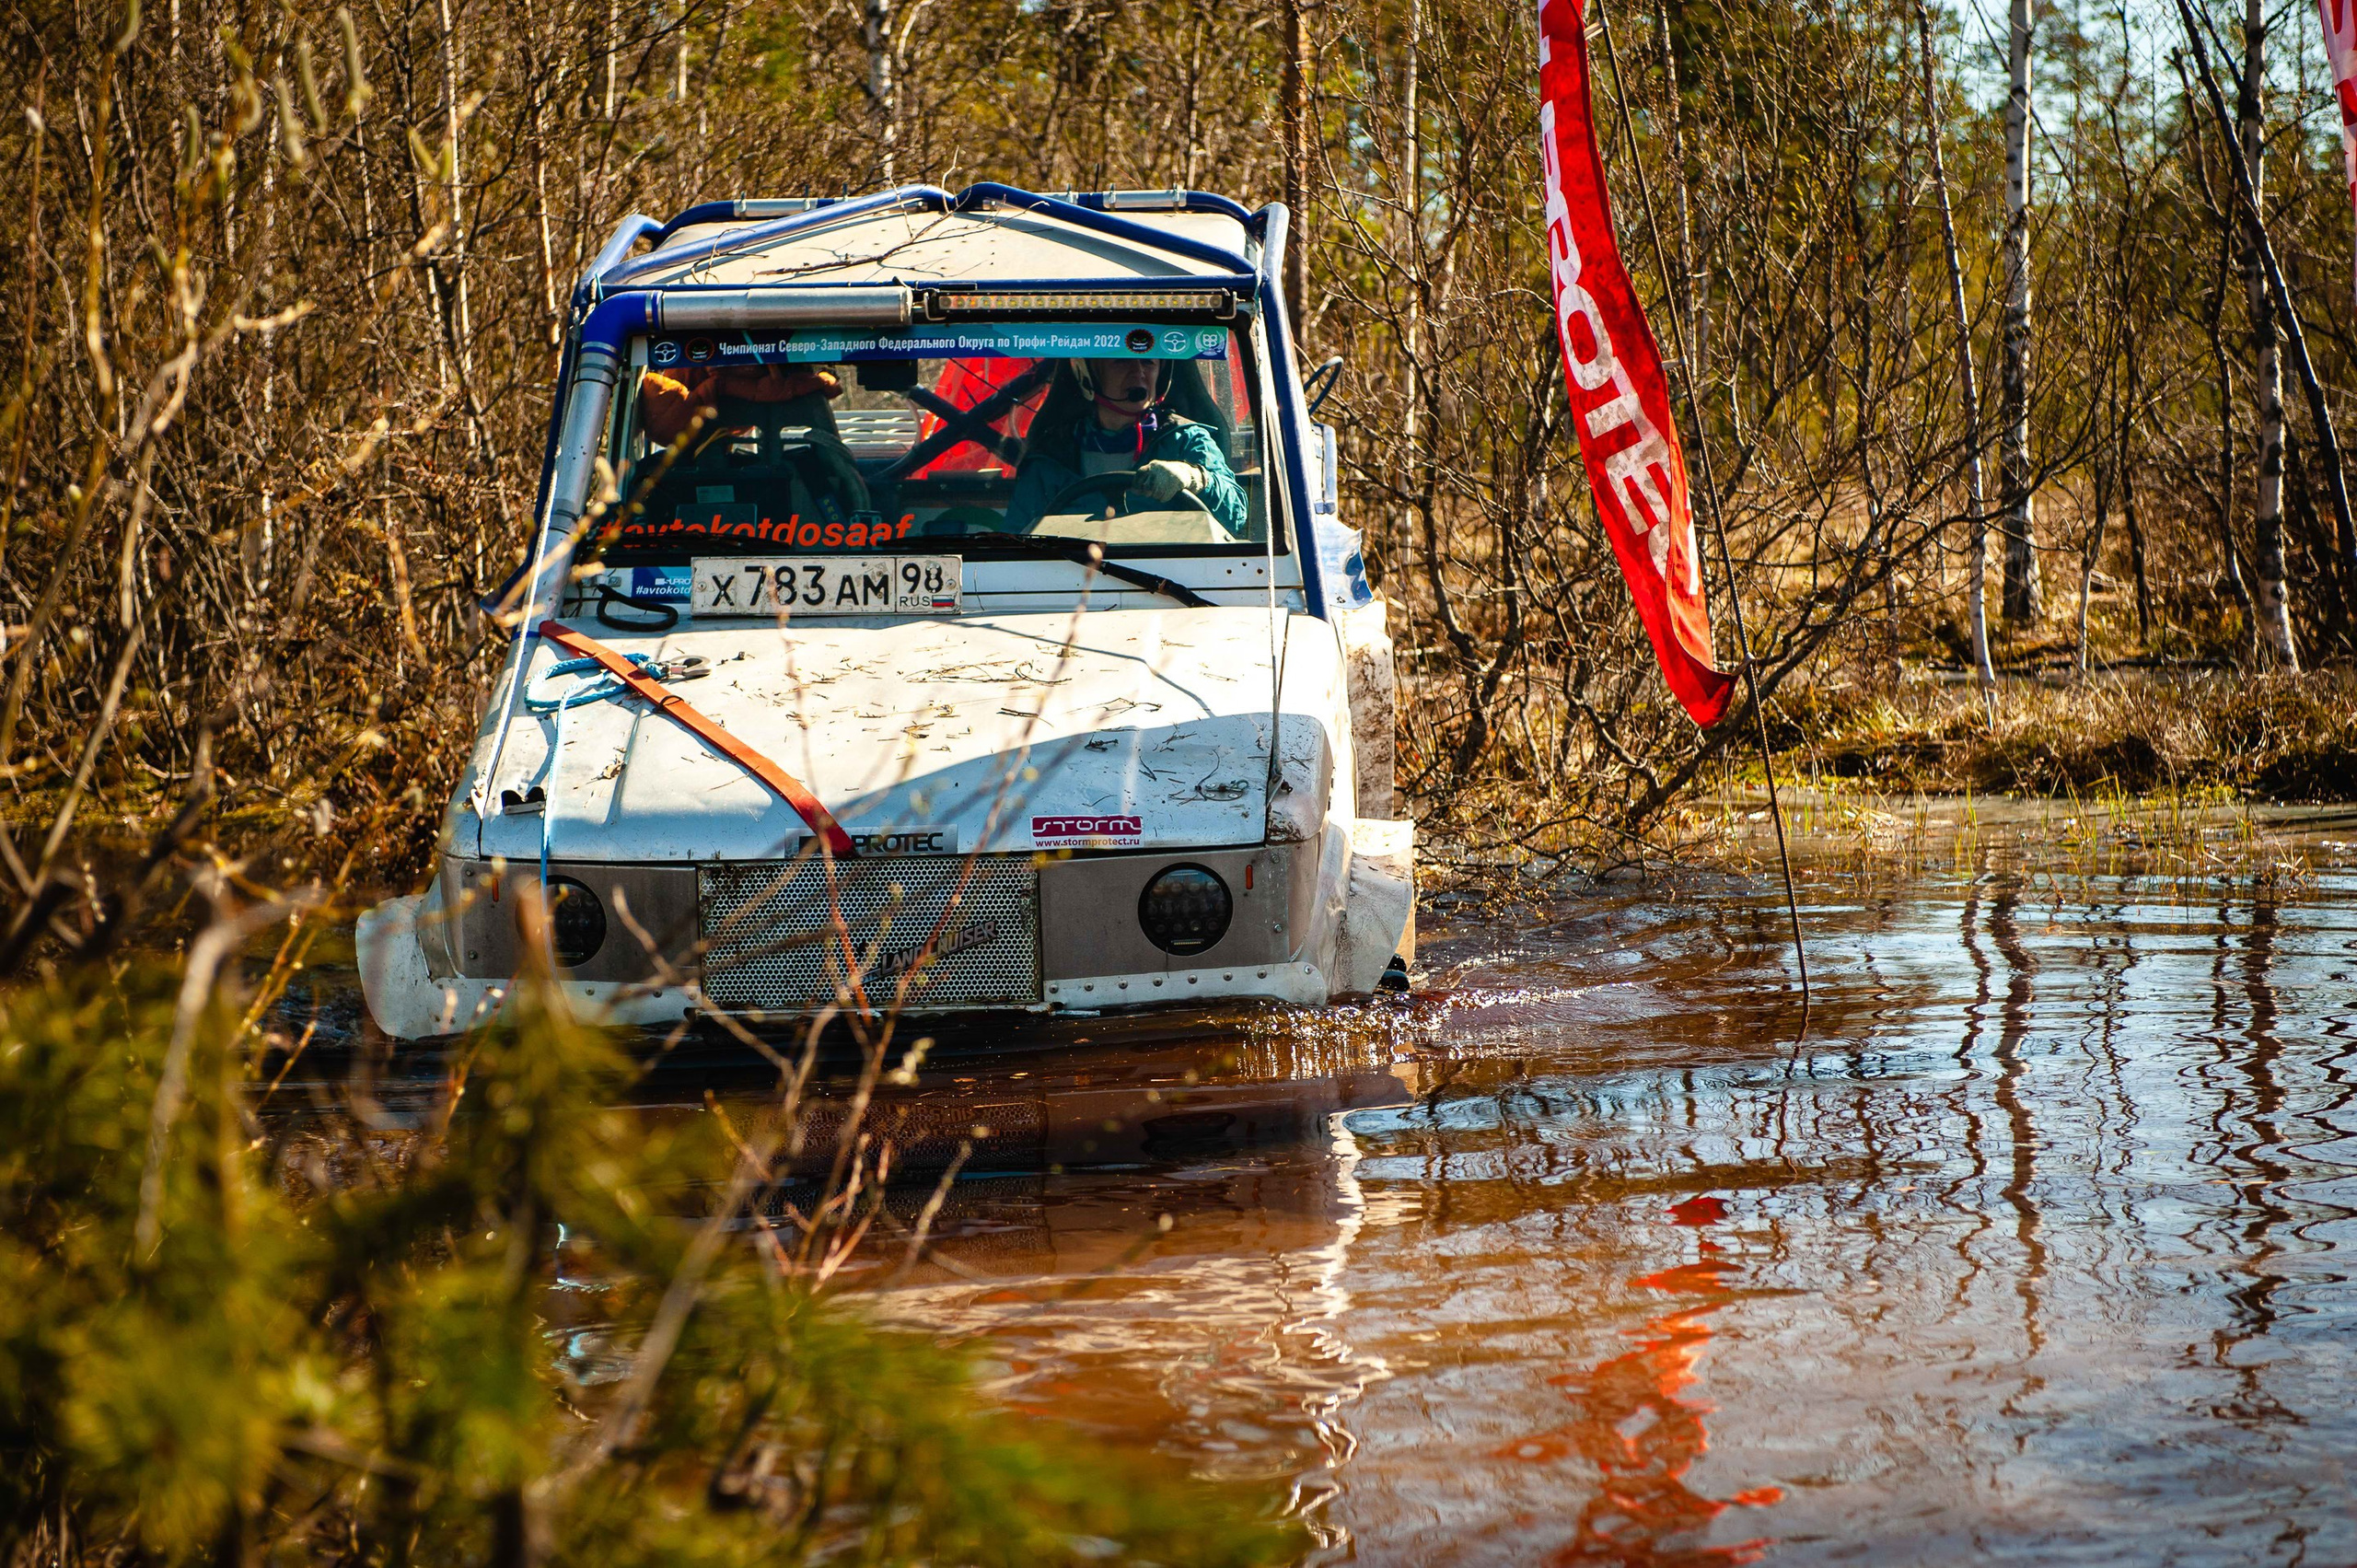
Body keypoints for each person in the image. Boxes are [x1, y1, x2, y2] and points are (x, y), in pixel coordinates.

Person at [999, 357, 1248, 537]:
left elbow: (1236, 515)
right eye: (1122, 360)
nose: (1139, 372)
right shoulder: (1051, 457)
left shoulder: (1188, 440)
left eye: (1149, 362)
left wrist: (1195, 477)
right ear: (1088, 374)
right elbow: (1016, 540)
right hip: (1069, 585)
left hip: (1175, 583)